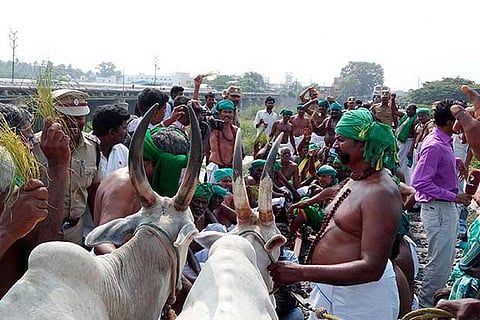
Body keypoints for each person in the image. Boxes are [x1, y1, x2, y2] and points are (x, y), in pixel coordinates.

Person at [268, 108, 402, 319]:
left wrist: (300, 272)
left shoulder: (380, 193)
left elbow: (372, 268)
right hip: (332, 289)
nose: (334, 145)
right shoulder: (356, 179)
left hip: (360, 299)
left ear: (361, 143)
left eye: (341, 140)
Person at [0, 113, 70, 297]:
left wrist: (58, 166)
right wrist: (6, 230)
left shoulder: (17, 184)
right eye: (29, 139)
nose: (33, 145)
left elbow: (42, 240)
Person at [411, 99, 472, 308]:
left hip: (443, 208)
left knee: (446, 260)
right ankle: (425, 307)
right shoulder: (434, 145)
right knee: (439, 263)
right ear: (449, 122)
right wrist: (453, 196)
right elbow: (419, 181)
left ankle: (433, 302)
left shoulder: (443, 140)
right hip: (438, 208)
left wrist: (455, 161)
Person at [93, 125, 190, 255]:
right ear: (148, 162)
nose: (173, 178)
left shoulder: (154, 185)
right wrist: (129, 268)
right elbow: (102, 242)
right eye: (171, 171)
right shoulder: (124, 186)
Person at [33, 89, 101, 246]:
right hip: (41, 232)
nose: (75, 123)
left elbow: (94, 192)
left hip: (75, 231)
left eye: (80, 117)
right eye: (68, 117)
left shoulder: (93, 147)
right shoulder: (34, 147)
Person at [91, 104, 130, 179]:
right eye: (124, 128)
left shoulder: (123, 151)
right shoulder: (85, 152)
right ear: (112, 132)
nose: (126, 132)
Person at [206, 99, 239, 183]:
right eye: (225, 112)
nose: (227, 115)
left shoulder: (235, 130)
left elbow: (240, 151)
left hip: (230, 168)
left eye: (230, 112)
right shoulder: (212, 127)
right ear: (219, 113)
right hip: (215, 166)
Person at [395, 103, 417, 185]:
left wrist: (411, 151)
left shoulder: (415, 120)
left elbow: (415, 137)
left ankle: (406, 183)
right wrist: (393, 100)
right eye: (407, 109)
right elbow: (394, 111)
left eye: (409, 109)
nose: (407, 111)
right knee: (399, 162)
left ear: (414, 111)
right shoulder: (406, 117)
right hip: (401, 143)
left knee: (405, 166)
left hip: (408, 143)